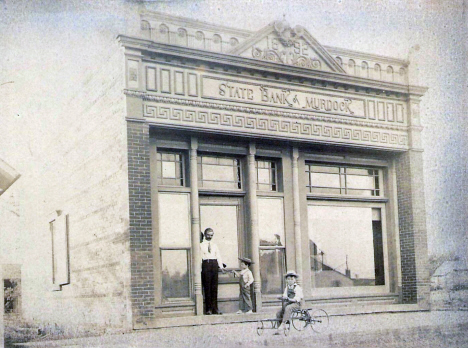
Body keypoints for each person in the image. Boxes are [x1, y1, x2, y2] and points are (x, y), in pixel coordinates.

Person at [200, 227, 226, 315]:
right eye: (208, 235)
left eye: (211, 235)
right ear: (205, 235)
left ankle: (215, 309)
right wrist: (200, 268)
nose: (210, 237)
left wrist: (221, 266)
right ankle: (208, 309)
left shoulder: (214, 245)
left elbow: (218, 255)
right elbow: (199, 257)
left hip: (214, 264)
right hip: (206, 264)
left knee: (214, 287)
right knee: (207, 287)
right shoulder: (201, 245)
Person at [275, 270, 303, 334]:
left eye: (292, 279)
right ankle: (278, 328)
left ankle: (283, 323)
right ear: (286, 280)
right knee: (279, 312)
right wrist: (282, 297)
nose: (290, 280)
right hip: (289, 303)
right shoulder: (287, 288)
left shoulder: (297, 288)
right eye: (288, 279)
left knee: (288, 308)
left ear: (295, 280)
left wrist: (290, 299)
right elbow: (285, 295)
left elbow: (298, 298)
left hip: (296, 304)